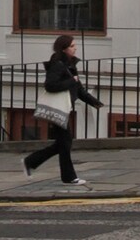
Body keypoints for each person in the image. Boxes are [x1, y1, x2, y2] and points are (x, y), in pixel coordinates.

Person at [23, 33, 99, 187]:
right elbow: (50, 85)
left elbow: (78, 89)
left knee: (62, 144)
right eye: (72, 46)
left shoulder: (70, 65)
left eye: (74, 45)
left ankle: (30, 161)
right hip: (58, 108)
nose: (75, 48)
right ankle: (69, 177)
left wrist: (94, 102)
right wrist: (71, 80)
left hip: (64, 108)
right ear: (64, 49)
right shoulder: (58, 64)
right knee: (65, 143)